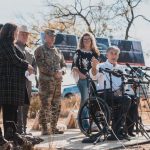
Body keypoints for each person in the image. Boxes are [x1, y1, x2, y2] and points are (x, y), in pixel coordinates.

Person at [0, 23, 34, 140]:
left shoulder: (10, 44)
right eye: (16, 31)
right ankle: (9, 137)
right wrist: (28, 65)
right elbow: (14, 60)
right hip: (7, 85)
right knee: (9, 112)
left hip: (13, 85)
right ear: (10, 32)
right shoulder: (4, 43)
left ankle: (12, 136)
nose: (17, 33)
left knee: (12, 112)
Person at [90, 46, 131, 140]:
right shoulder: (101, 66)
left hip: (118, 94)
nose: (114, 55)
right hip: (104, 94)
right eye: (112, 53)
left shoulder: (121, 68)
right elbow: (93, 76)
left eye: (116, 54)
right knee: (126, 99)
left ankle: (127, 131)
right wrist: (93, 66)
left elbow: (125, 82)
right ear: (107, 55)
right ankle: (116, 131)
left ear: (118, 56)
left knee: (133, 100)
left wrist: (122, 90)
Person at [34, 29, 67, 135]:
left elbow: (64, 65)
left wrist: (62, 71)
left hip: (57, 84)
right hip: (46, 84)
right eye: (50, 36)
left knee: (56, 105)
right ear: (45, 37)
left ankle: (53, 128)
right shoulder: (40, 49)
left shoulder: (58, 51)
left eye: (54, 36)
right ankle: (45, 129)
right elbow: (41, 66)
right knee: (45, 105)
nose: (52, 38)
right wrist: (54, 73)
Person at [15, 25, 37, 134]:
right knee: (17, 107)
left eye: (26, 34)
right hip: (16, 82)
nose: (24, 35)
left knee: (25, 106)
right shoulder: (13, 47)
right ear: (17, 34)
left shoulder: (30, 51)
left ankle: (23, 130)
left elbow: (34, 66)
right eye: (22, 33)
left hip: (28, 82)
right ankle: (17, 131)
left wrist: (33, 76)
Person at [72, 32, 100, 107]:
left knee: (93, 100)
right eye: (84, 39)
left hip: (93, 79)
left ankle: (89, 117)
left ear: (91, 40)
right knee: (85, 99)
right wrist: (80, 74)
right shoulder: (78, 52)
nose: (86, 41)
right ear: (82, 41)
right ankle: (82, 118)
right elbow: (74, 66)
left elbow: (97, 67)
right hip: (82, 78)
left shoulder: (95, 53)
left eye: (88, 39)